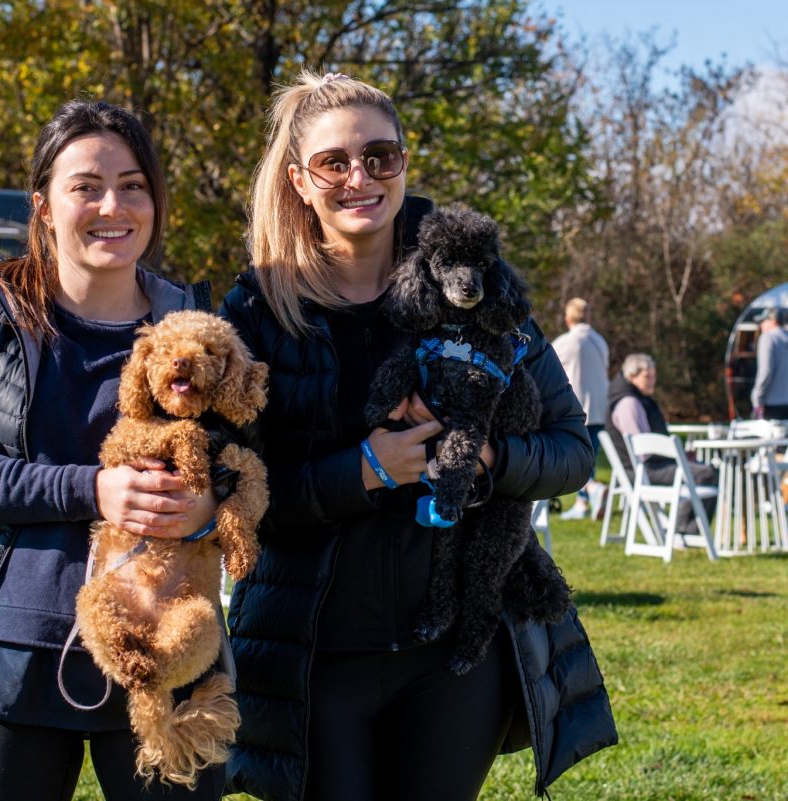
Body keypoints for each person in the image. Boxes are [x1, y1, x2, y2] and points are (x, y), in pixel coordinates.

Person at [219, 71, 616, 801]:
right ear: (300, 180)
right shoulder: (257, 310)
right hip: (312, 653)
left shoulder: (476, 283)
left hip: (454, 656)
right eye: (334, 163)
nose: (360, 177)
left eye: (381, 155)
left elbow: (572, 450)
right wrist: (366, 469)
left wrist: (487, 461)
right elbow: (237, 495)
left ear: (404, 161)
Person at [0, 101, 224, 800]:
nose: (112, 205)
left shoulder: (194, 320)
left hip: (170, 645)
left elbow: (241, 455)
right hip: (14, 650)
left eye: (133, 184)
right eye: (86, 184)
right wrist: (94, 489)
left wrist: (212, 498)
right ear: (45, 204)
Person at [605, 353, 718, 532]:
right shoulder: (629, 403)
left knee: (703, 470)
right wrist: (676, 455)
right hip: (642, 470)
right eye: (647, 377)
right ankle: (683, 530)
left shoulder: (637, 399)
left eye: (654, 376)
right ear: (632, 377)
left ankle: (686, 530)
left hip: (647, 467)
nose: (652, 381)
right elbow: (643, 449)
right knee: (706, 473)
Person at [551, 297, 610, 520]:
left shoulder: (566, 342)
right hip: (599, 407)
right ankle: (585, 499)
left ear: (568, 318)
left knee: (574, 457)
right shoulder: (600, 341)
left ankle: (591, 490)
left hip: (575, 407)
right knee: (590, 454)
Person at [752, 308, 788, 421]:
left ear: (773, 321)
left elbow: (765, 372)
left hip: (772, 403)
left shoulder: (768, 338)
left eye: (763, 321)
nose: (761, 326)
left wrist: (757, 398)